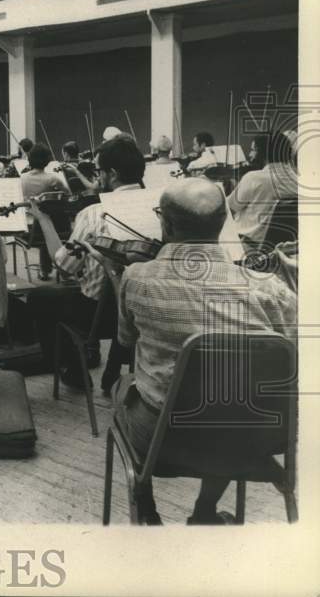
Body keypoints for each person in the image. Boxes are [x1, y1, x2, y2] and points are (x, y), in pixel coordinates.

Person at [99, 177, 296, 525]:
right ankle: (205, 511)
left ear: (167, 223)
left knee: (123, 388)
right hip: (253, 440)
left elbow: (126, 342)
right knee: (226, 399)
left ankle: (143, 499)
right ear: (223, 223)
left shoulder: (136, 277)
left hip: (164, 443)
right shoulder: (270, 289)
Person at [28, 135, 145, 391]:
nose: (96, 178)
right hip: (148, 311)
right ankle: (113, 368)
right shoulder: (163, 209)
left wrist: (44, 220)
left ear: (112, 174)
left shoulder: (93, 214)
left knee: (40, 298)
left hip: (101, 316)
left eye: (99, 171)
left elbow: (65, 266)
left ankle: (74, 370)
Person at [227, 131, 297, 247]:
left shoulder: (254, 178)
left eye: (253, 150)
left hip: (247, 246)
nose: (250, 155)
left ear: (263, 152)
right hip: (284, 248)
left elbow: (229, 208)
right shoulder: (297, 180)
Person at [21, 145, 71, 280]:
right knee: (49, 220)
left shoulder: (22, 178)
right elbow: (68, 194)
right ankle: (60, 268)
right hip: (55, 229)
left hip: (29, 229)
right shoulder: (53, 179)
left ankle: (45, 270)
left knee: (42, 224)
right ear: (47, 161)